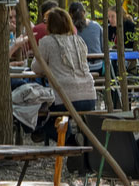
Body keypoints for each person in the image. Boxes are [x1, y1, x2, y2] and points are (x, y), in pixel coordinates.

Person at [31, 8, 98, 140]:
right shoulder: (78, 40)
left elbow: (36, 68)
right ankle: (75, 141)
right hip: (90, 96)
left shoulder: (47, 42)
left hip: (64, 98)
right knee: (57, 118)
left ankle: (69, 141)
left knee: (51, 119)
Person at [69, 2, 103, 73]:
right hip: (97, 66)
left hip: (77, 68)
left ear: (70, 14)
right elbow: (103, 47)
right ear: (84, 12)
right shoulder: (96, 26)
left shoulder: (68, 29)